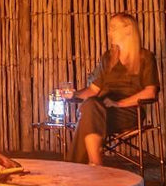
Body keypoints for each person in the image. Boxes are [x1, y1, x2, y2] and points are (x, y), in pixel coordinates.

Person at [68, 12, 160, 165]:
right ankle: (94, 164)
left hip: (129, 111)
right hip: (101, 110)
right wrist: (73, 94)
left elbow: (150, 92)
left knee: (89, 112)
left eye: (113, 28)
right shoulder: (108, 58)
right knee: (90, 106)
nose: (109, 32)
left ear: (128, 30)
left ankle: (77, 168)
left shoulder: (145, 58)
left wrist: (119, 104)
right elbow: (93, 90)